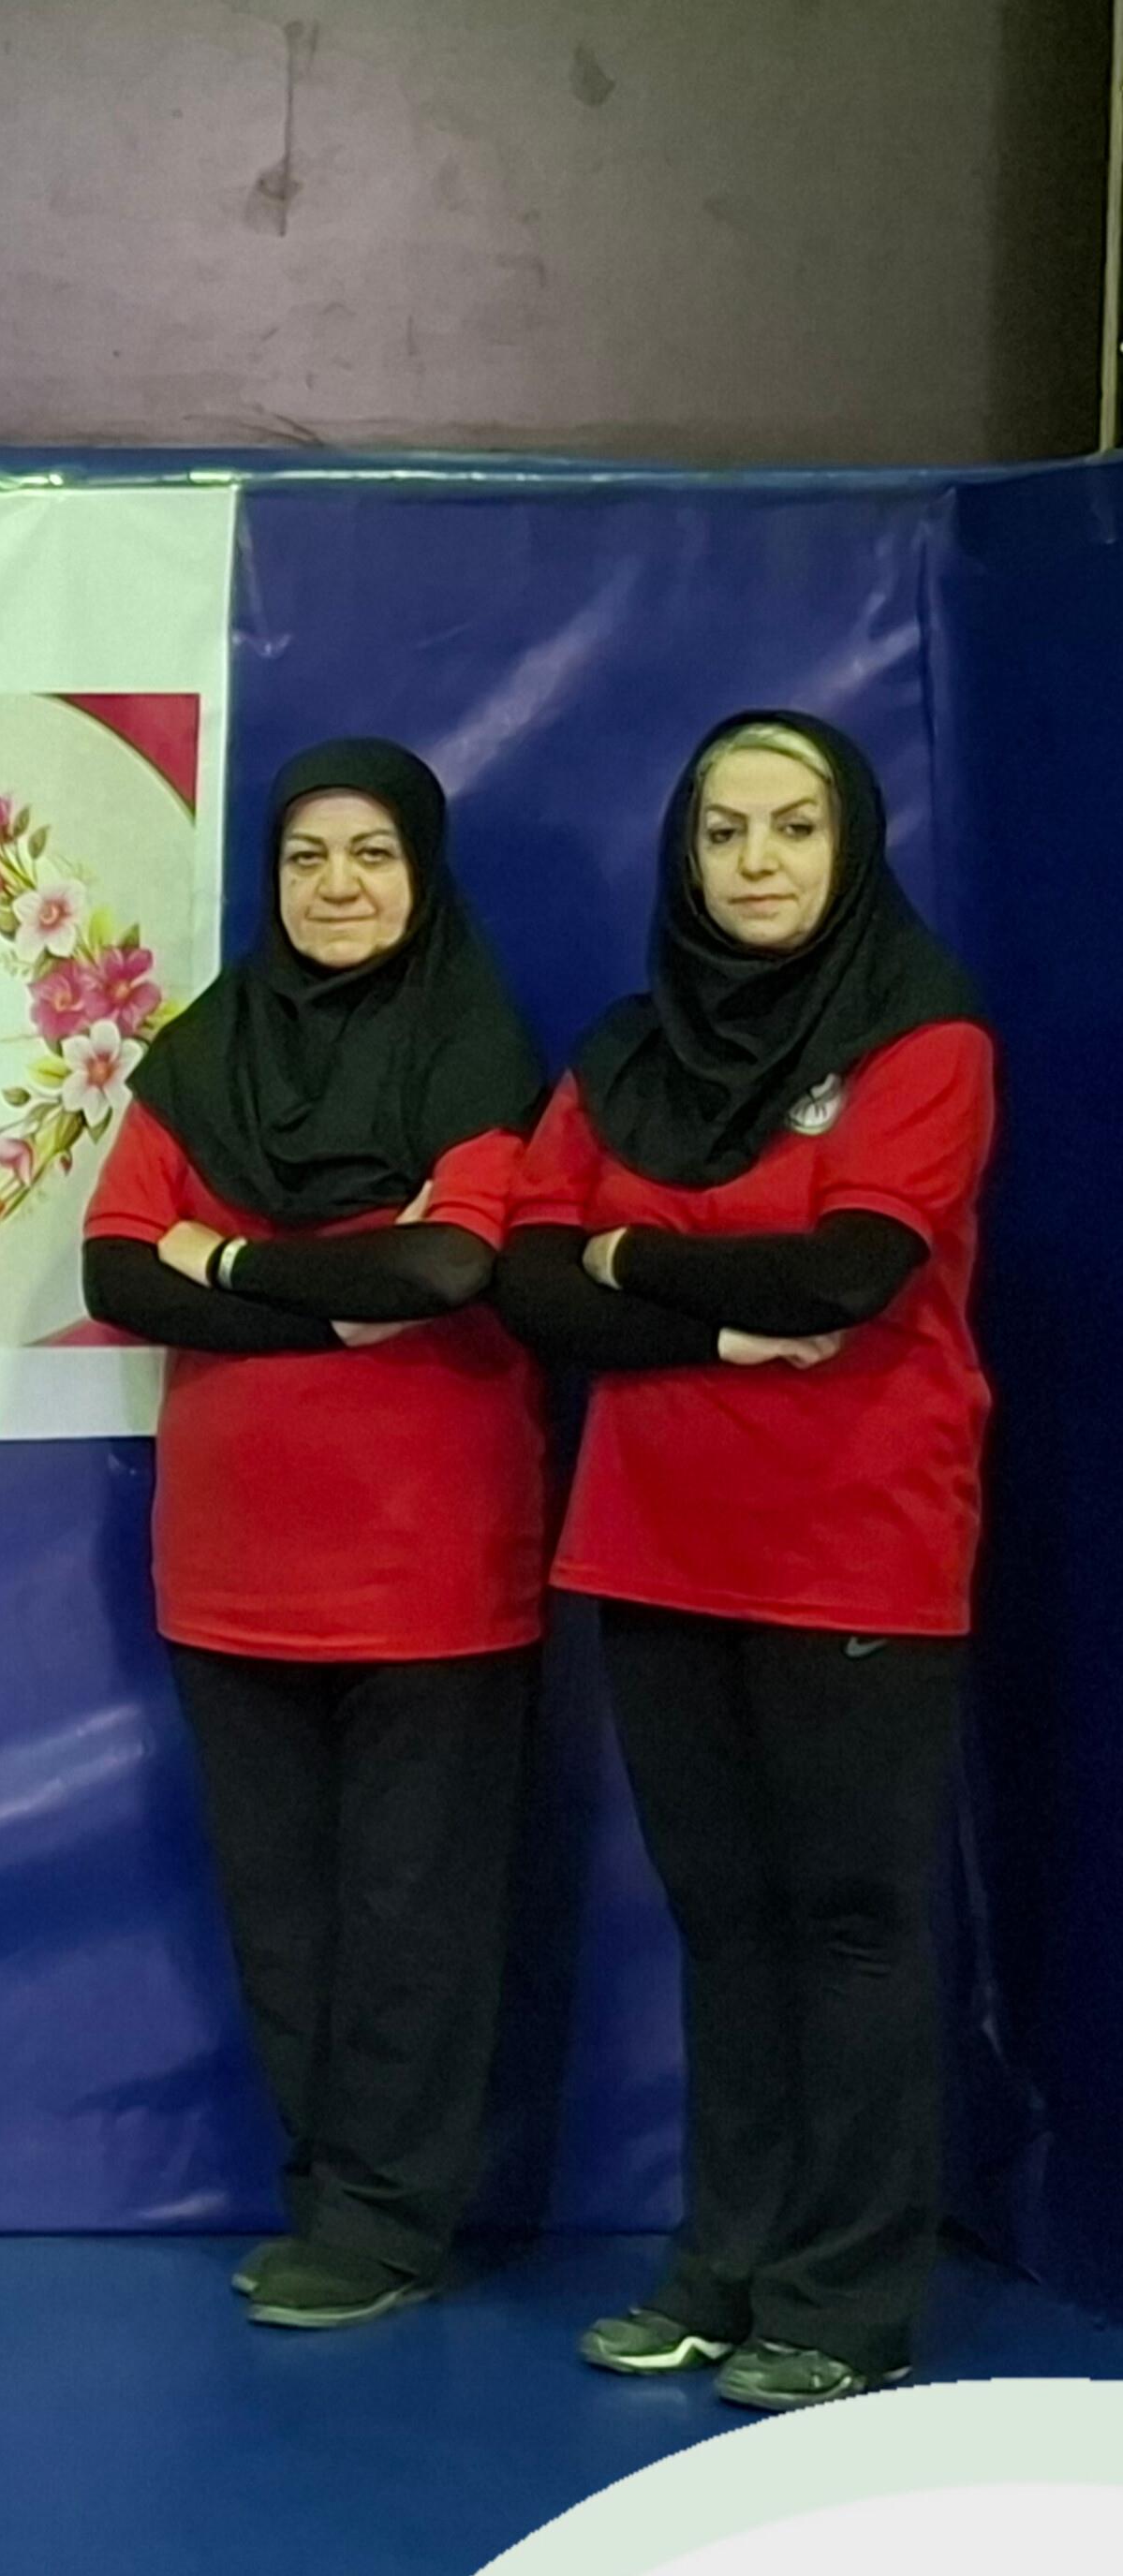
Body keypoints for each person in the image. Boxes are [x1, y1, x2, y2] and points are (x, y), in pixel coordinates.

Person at [495, 712, 990, 2412]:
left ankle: (847, 2302)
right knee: (724, 1922)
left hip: (857, 1548)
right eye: (725, 831)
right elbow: (530, 1283)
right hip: (653, 1543)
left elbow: (847, 1273)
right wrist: (698, 1308)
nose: (758, 861)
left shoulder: (925, 1036)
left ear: (851, 844)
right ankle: (723, 2267)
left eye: (793, 826)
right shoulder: (626, 1053)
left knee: (849, 1921)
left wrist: (629, 1253)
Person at [81, 738, 550, 2333]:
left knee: (415, 1919)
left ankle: (389, 2222)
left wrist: (220, 1256)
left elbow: (442, 1271)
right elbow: (116, 1272)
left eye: (371, 855)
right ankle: (325, 2202)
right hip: (231, 1575)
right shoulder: (205, 1056)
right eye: (305, 858)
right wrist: (323, 1281)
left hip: (432, 1572)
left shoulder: (477, 1050)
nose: (337, 887)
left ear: (422, 872)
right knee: (282, 1918)